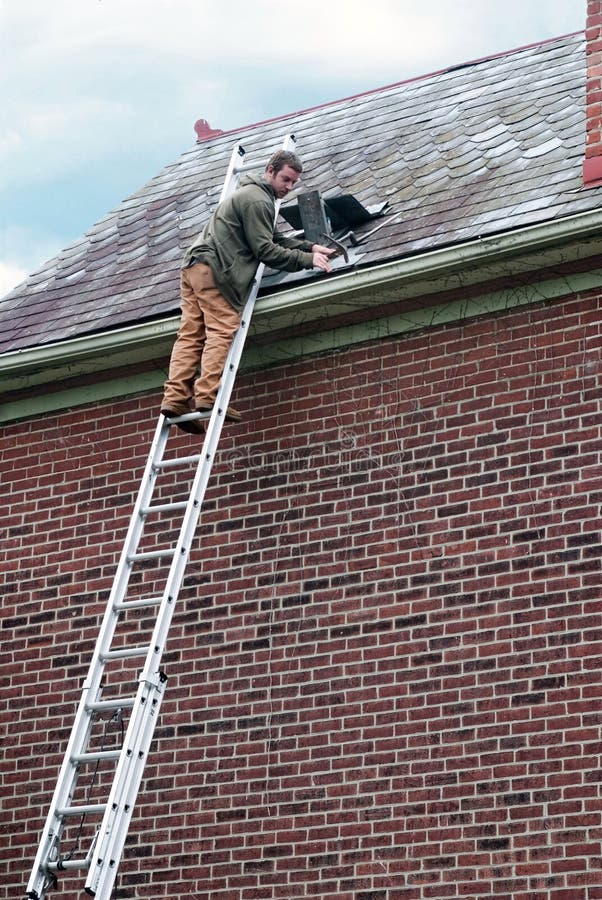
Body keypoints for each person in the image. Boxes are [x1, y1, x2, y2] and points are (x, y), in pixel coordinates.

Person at [161, 149, 335, 434]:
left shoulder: (249, 195)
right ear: (270, 170)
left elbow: (273, 237)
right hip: (217, 269)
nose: (288, 188)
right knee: (221, 329)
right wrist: (308, 261)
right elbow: (265, 250)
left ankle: (176, 398)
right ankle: (207, 396)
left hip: (194, 266)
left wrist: (309, 246)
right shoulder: (259, 201)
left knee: (191, 333)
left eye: (293, 183)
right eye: (285, 179)